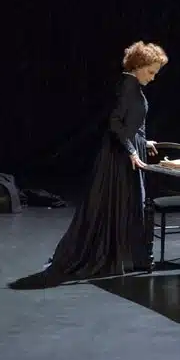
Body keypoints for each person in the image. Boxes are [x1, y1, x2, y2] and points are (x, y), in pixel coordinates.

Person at [44, 41, 168, 280]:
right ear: (138, 66)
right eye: (151, 72)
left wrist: (143, 142)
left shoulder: (131, 85)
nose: (153, 78)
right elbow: (115, 123)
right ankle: (112, 256)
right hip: (119, 156)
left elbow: (130, 124)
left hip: (125, 151)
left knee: (127, 204)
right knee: (117, 205)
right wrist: (132, 151)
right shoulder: (128, 87)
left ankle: (125, 256)